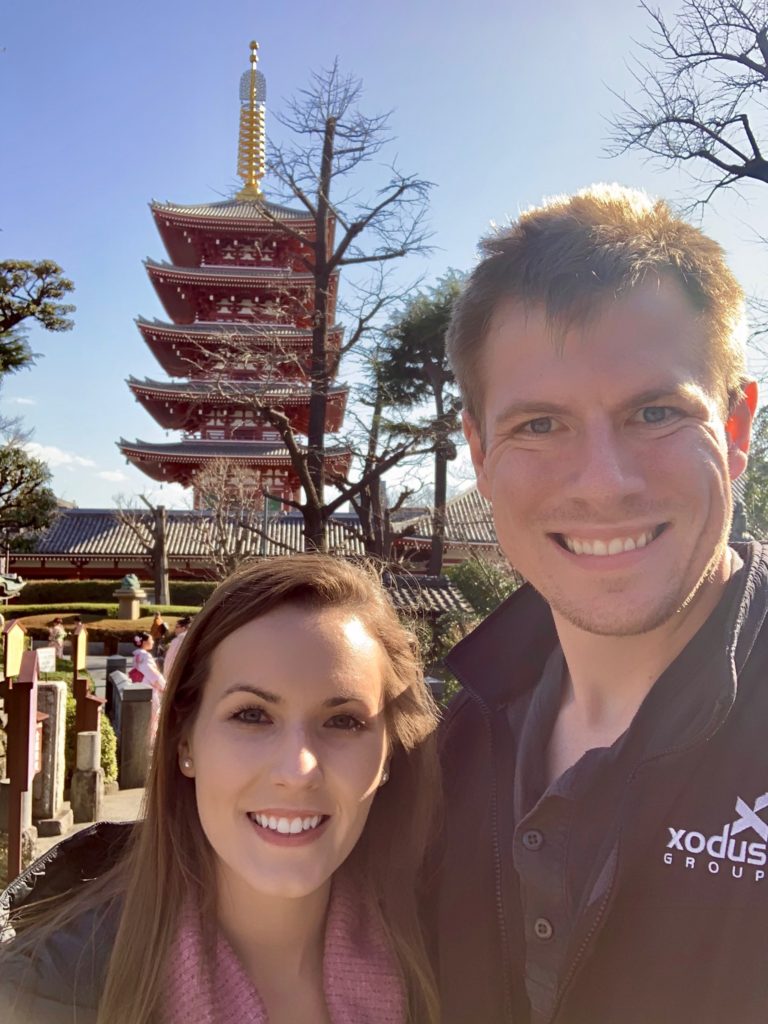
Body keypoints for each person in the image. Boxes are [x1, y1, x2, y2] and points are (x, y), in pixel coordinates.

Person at [431, 184, 765, 1024]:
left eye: (655, 412)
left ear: (736, 428)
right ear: (477, 450)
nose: (604, 483)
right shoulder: (440, 756)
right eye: (540, 426)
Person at [0, 554, 440, 1024]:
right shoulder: (45, 990)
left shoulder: (458, 958)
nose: (297, 769)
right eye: (251, 714)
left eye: (344, 721)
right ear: (184, 741)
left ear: (390, 754)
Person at [130, 630, 166, 741]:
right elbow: (152, 674)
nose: (153, 642)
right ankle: (149, 742)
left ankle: (145, 740)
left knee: (145, 717)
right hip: (149, 689)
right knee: (152, 716)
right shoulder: (145, 656)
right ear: (144, 642)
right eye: (151, 639)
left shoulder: (138, 655)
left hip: (140, 686)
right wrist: (164, 686)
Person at [162, 614, 191, 678]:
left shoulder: (177, 641)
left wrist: (166, 675)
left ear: (183, 628)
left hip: (176, 674)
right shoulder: (193, 639)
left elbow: (170, 660)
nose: (175, 629)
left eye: (177, 627)